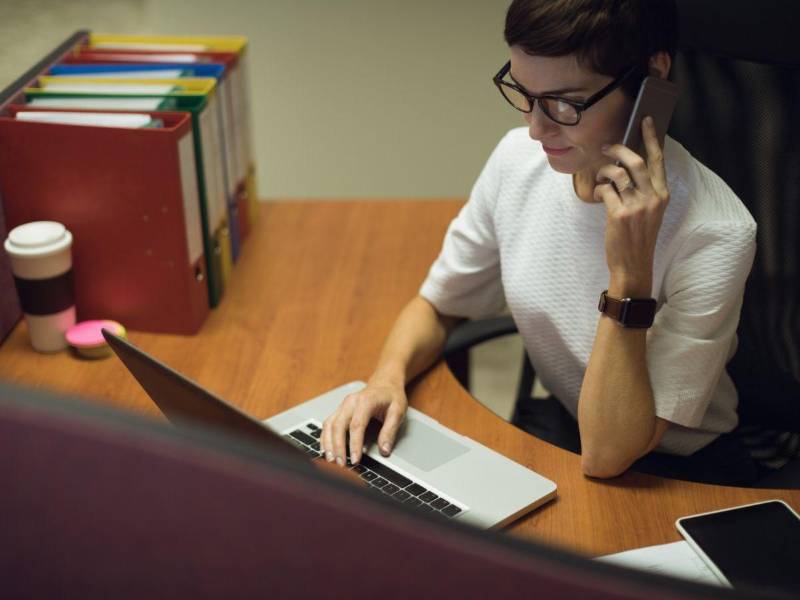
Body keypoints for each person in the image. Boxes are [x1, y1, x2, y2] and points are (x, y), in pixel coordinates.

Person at [321, 0, 759, 485]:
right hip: (566, 431)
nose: (536, 128)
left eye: (565, 104)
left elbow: (609, 455)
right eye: (524, 93)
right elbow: (438, 305)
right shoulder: (517, 162)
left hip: (679, 475)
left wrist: (630, 275)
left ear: (652, 78)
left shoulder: (716, 230)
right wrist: (386, 379)